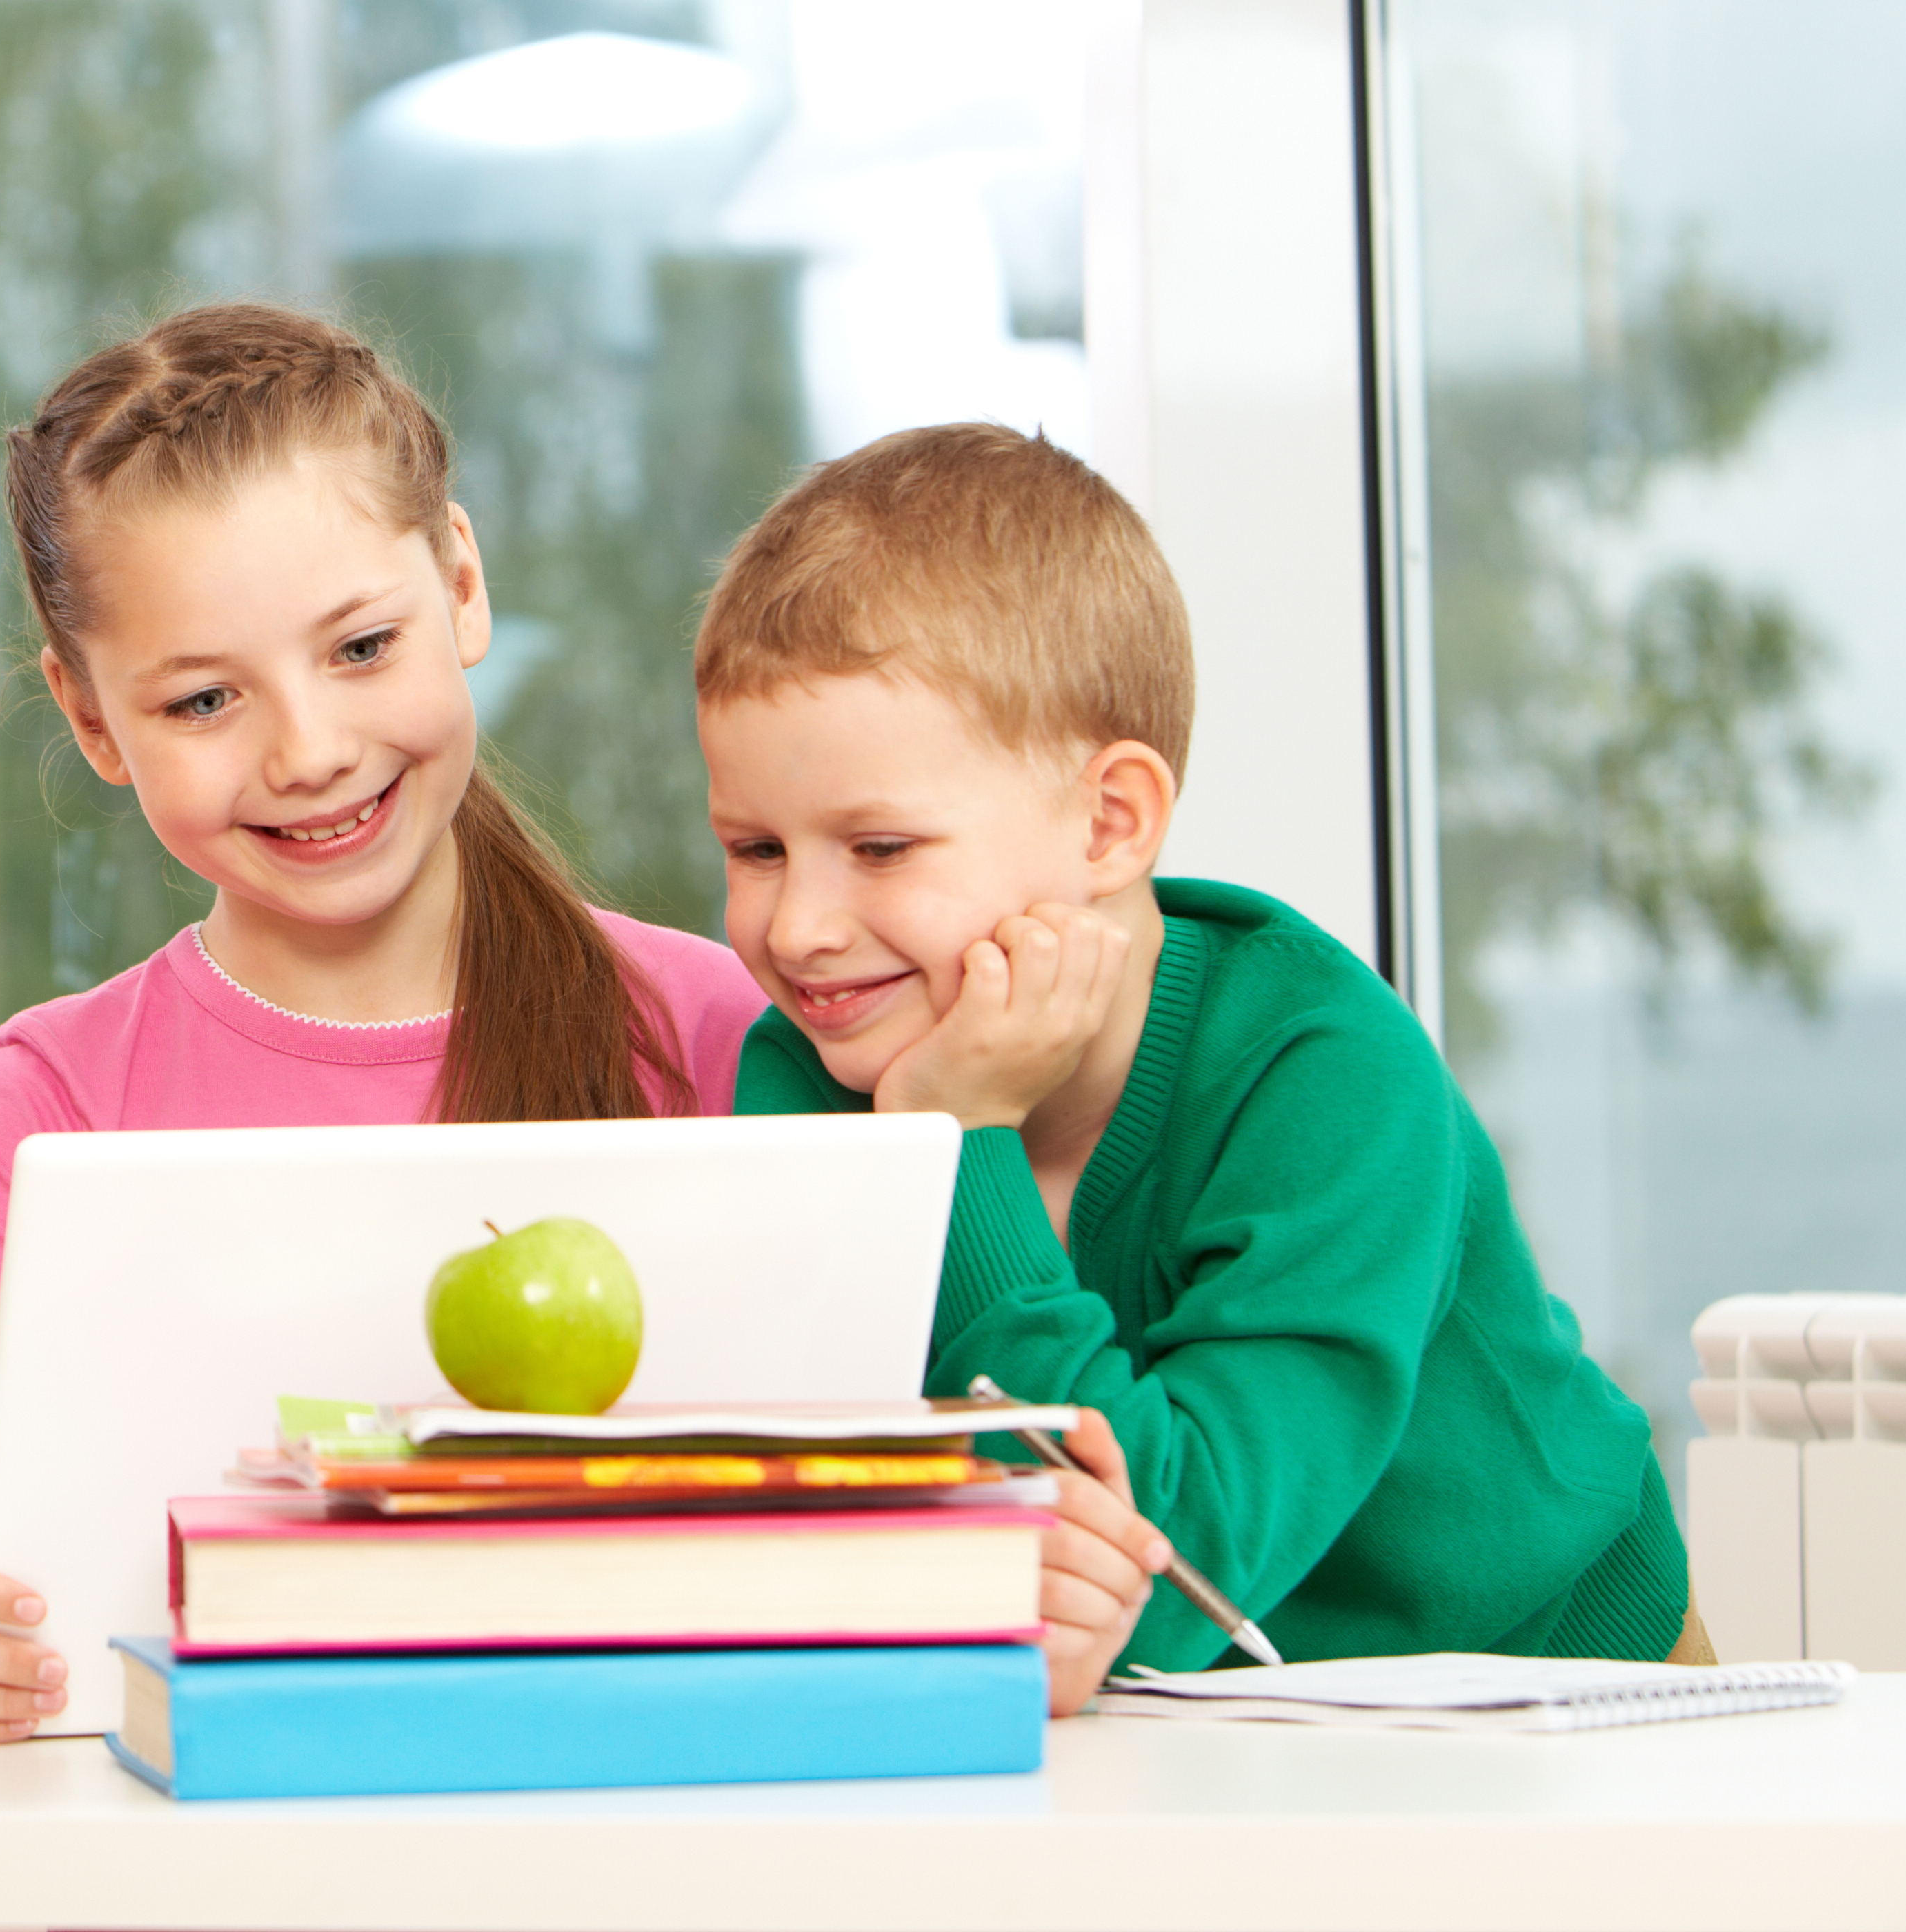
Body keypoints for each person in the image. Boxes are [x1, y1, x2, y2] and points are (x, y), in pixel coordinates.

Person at [0, 303, 1168, 1739]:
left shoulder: (723, 1032)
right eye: (203, 702)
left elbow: (933, 1461)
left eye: (361, 648)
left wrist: (1042, 1573)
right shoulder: (58, 1103)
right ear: (88, 720)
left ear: (460, 584)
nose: (309, 750)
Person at [695, 422, 1696, 1680]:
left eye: (882, 850)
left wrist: (957, 1138)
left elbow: (1181, 1578)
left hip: (1548, 1684)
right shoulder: (809, 1071)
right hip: (1196, 1721)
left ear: (1111, 824)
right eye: (755, 850)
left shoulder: (1326, 1078)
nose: (799, 931)